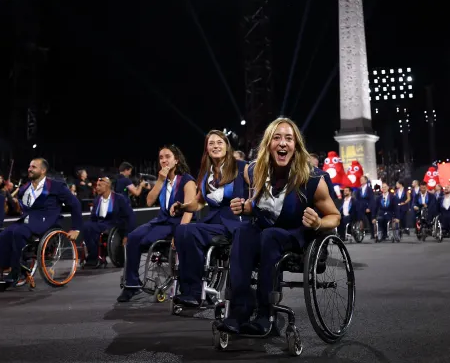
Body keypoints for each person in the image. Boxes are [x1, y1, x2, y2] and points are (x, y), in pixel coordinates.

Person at [220, 117, 339, 335]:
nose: (283, 143)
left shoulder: (312, 179)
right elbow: (255, 201)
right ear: (268, 145)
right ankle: (239, 311)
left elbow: (335, 216)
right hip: (265, 229)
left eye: (288, 138)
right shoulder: (253, 171)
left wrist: (319, 222)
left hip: (296, 234)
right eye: (277, 138)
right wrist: (245, 207)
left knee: (270, 236)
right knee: (243, 231)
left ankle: (266, 315)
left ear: (296, 146)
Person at [171, 130, 248, 307]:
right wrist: (183, 206)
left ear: (227, 146)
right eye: (211, 143)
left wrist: (249, 205)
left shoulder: (241, 167)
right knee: (182, 230)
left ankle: (195, 292)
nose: (216, 146)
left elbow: (257, 191)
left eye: (219, 142)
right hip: (213, 222)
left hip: (234, 223)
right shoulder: (207, 174)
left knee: (188, 231)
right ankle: (190, 291)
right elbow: (198, 203)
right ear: (207, 149)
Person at [117, 144, 196, 303]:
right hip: (161, 220)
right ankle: (132, 284)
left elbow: (189, 210)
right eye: (161, 157)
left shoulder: (187, 181)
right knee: (133, 237)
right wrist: (160, 180)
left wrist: (180, 232)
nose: (164, 160)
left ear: (176, 160)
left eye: (167, 157)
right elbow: (149, 201)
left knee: (146, 240)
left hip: (177, 222)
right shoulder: (163, 180)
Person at [0, 158, 82, 292]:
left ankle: (16, 272)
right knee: (3, 235)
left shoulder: (56, 186)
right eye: (29, 166)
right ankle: (3, 270)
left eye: (33, 167)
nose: (29, 169)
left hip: (47, 221)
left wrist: (76, 228)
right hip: (27, 220)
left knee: (18, 233)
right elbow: (22, 209)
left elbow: (75, 204)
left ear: (43, 170)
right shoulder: (24, 189)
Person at [83, 177, 134, 268]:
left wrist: (127, 235)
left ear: (107, 185)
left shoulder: (119, 198)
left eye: (100, 185)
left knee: (89, 227)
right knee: (86, 227)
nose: (97, 188)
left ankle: (93, 258)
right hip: (101, 223)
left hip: (114, 224)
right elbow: (93, 217)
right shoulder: (97, 200)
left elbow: (129, 216)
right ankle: (94, 257)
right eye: (96, 185)